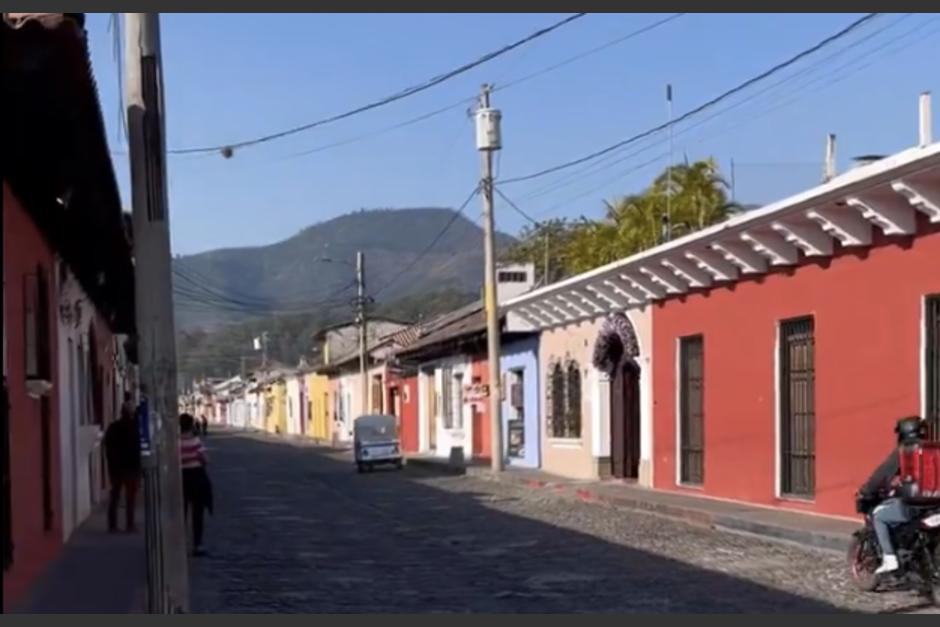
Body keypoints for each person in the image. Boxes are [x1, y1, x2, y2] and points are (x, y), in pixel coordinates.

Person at [858, 416, 928, 574]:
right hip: (934, 506)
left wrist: (867, 490)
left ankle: (889, 558)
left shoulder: (905, 451)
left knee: (879, 516)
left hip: (913, 506)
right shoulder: (933, 450)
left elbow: (882, 474)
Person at [104, 394, 142, 532]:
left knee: (115, 495)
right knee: (130, 498)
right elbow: (137, 447)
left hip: (117, 467)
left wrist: (111, 465)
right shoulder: (135, 428)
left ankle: (113, 524)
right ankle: (129, 524)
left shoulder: (114, 427)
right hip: (130, 466)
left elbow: (108, 447)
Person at [179, 413, 213, 556]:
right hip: (197, 478)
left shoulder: (175, 442)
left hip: (181, 479)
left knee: (181, 513)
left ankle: (179, 544)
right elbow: (205, 459)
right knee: (197, 513)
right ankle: (197, 544)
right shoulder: (195, 441)